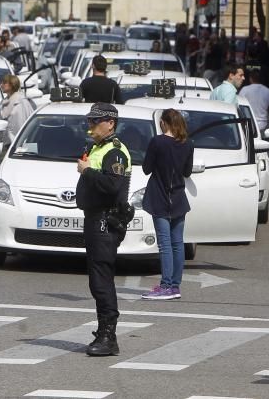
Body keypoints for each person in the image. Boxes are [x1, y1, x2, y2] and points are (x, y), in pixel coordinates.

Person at [76, 102, 131, 356]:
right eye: (89, 121)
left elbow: (112, 186)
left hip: (105, 221)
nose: (90, 126)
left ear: (110, 123)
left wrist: (87, 172)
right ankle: (104, 332)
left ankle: (109, 336)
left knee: (101, 281)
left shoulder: (115, 152)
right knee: (97, 280)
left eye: (95, 121)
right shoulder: (97, 147)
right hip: (94, 219)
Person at [140, 109, 193, 301]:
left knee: (164, 244)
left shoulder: (157, 142)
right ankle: (175, 285)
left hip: (160, 197)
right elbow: (187, 172)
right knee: (177, 243)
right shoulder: (188, 144)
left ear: (164, 123)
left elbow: (146, 169)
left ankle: (166, 285)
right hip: (178, 198)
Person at [0, 74, 33, 144]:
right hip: (8, 143)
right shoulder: (4, 101)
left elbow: (24, 125)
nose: (1, 85)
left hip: (22, 144)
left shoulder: (21, 101)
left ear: (12, 84)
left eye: (4, 83)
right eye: (1, 82)